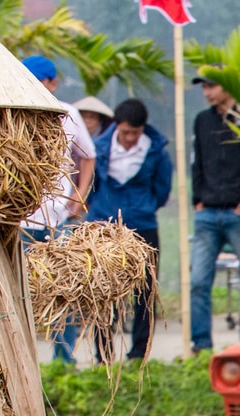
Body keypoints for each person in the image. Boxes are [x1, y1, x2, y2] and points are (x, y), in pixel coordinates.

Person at [20, 54, 97, 363]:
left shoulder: (67, 113)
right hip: (20, 219)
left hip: (58, 219)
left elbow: (87, 156)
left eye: (39, 81)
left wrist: (79, 195)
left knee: (62, 287)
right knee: (19, 288)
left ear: (53, 83)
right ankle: (20, 359)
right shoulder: (17, 113)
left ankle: (63, 359)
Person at [189, 74, 240, 351]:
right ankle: (201, 345)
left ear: (229, 86)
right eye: (203, 87)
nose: (206, 92)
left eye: (211, 85)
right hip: (207, 212)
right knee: (199, 282)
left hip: (239, 214)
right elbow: (197, 162)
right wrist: (197, 199)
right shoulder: (203, 120)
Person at [87, 98, 174, 361]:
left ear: (142, 129)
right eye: (125, 132)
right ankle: (103, 353)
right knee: (103, 290)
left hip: (142, 225)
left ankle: (139, 352)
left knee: (145, 292)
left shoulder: (157, 152)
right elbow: (90, 183)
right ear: (117, 127)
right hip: (105, 225)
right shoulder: (99, 148)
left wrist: (142, 207)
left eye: (135, 133)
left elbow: (162, 190)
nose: (129, 138)